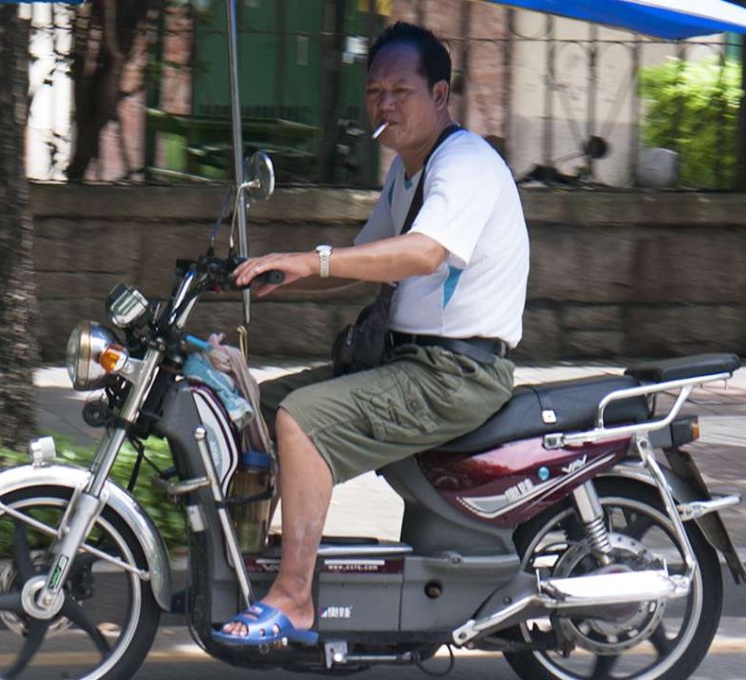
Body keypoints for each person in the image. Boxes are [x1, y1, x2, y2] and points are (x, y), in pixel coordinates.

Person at [213, 21, 530, 646]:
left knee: (302, 419)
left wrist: (314, 261)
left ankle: (295, 599)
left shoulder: (463, 165)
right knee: (255, 409)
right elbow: (366, 261)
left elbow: (421, 254)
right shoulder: (407, 173)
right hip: (409, 362)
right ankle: (244, 570)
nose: (385, 104)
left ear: (440, 94)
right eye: (375, 90)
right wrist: (284, 271)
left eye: (401, 90)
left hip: (456, 374)